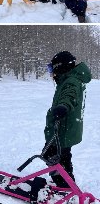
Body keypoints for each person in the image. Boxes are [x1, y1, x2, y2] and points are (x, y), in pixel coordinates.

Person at [44, 51, 91, 187]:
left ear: (60, 67)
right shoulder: (69, 79)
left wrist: (63, 106)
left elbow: (69, 95)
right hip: (66, 128)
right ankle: (66, 184)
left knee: (53, 155)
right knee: (60, 156)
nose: (51, 72)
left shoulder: (71, 81)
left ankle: (65, 186)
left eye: (52, 68)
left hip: (63, 129)